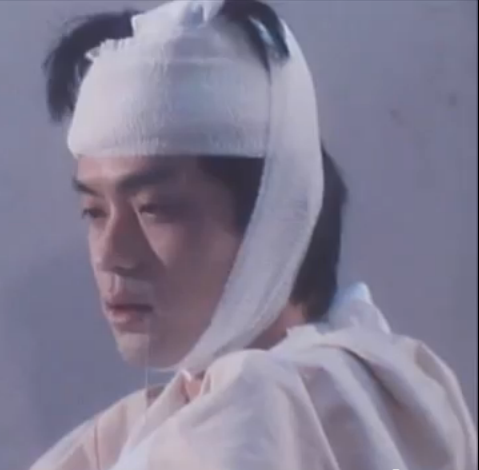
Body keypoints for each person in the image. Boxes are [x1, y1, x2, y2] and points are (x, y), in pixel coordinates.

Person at [30, 1, 477, 469]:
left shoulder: (274, 404)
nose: (111, 253)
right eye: (94, 212)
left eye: (154, 209)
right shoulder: (158, 420)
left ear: (273, 214)